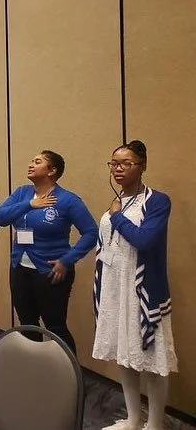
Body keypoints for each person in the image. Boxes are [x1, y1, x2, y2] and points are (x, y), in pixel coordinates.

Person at [93, 141, 177, 430]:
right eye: (114, 163)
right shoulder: (117, 203)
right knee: (125, 356)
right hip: (116, 289)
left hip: (143, 291)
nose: (118, 168)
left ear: (142, 165)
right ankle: (132, 419)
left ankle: (154, 424)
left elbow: (144, 240)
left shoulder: (157, 201)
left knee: (152, 359)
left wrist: (116, 216)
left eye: (126, 163)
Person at [0, 150, 97, 354]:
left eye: (38, 162)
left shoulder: (67, 200)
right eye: (32, 160)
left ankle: (68, 379)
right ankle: (36, 372)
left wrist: (67, 260)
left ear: (52, 171)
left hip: (50, 270)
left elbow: (91, 232)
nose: (31, 164)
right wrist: (29, 204)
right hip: (20, 268)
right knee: (27, 323)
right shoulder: (22, 193)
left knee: (55, 326)